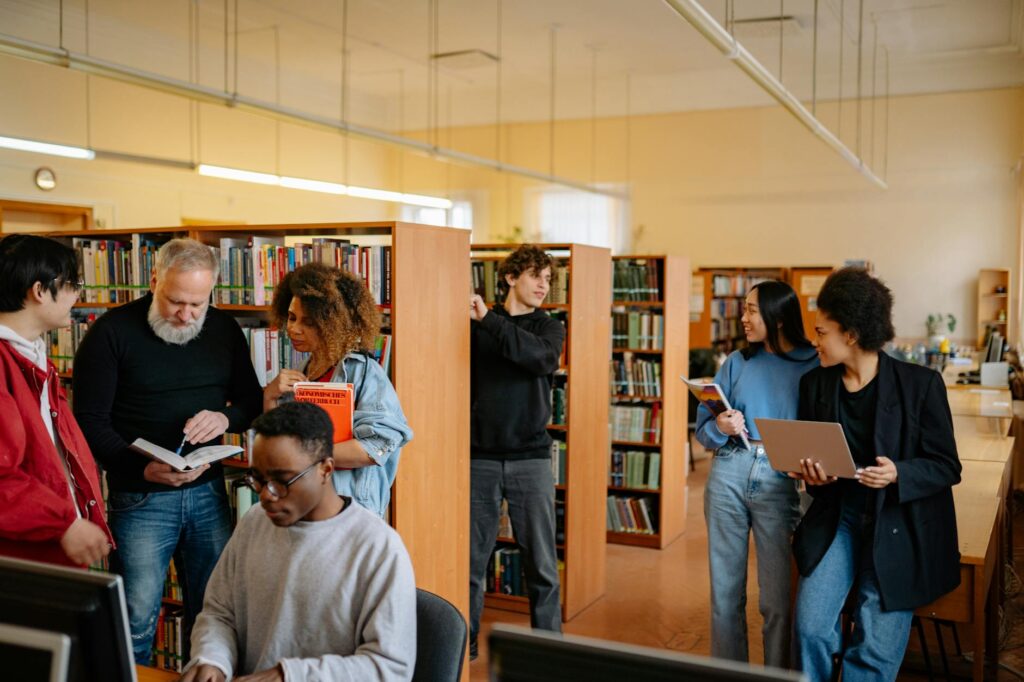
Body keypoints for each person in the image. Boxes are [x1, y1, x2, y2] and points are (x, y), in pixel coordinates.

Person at [73, 238, 263, 664]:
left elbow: (250, 403)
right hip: (140, 497)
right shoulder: (110, 332)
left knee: (215, 613)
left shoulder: (223, 329)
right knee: (135, 619)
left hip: (208, 492)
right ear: (154, 280)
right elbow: (88, 423)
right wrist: (140, 470)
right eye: (177, 301)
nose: (187, 315)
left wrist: (224, 419)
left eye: (198, 303)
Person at [790, 267, 961, 681]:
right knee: (810, 627)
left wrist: (898, 473)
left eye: (821, 331)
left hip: (899, 523)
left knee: (874, 645)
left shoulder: (921, 386)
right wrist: (812, 476)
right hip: (840, 518)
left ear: (850, 334)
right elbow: (810, 458)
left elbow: (947, 465)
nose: (814, 341)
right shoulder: (815, 384)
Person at [180, 401, 416, 682]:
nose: (266, 495)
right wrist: (212, 659)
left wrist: (286, 676)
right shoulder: (254, 522)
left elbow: (389, 668)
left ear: (326, 470)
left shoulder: (377, 548)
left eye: (281, 481)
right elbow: (219, 613)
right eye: (257, 479)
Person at [695, 280, 818, 667]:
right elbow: (704, 433)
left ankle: (776, 675)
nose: (743, 317)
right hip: (729, 469)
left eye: (751, 310)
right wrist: (722, 427)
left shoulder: (814, 363)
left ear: (778, 317)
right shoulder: (737, 361)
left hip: (781, 480)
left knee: (777, 599)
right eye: (744, 309)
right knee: (725, 594)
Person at [467, 244, 566, 660]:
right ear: (511, 278)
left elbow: (540, 359)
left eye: (548, 278)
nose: (544, 284)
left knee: (542, 566)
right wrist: (486, 321)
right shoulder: (474, 324)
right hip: (478, 458)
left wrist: (489, 320)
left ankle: (548, 653)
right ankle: (463, 646)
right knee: (471, 564)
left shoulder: (549, 328)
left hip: (531, 458)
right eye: (535, 276)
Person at [261, 262, 412, 517]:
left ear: (333, 324)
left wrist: (304, 454)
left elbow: (376, 446)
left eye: (308, 322)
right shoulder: (301, 370)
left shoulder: (363, 371)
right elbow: (276, 443)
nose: (294, 328)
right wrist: (269, 396)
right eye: (292, 317)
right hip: (303, 505)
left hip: (349, 510)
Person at [0, 234, 112, 568]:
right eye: (72, 284)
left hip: (51, 545)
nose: (77, 294)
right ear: (38, 291)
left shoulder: (32, 357)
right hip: (23, 557)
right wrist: (62, 522)